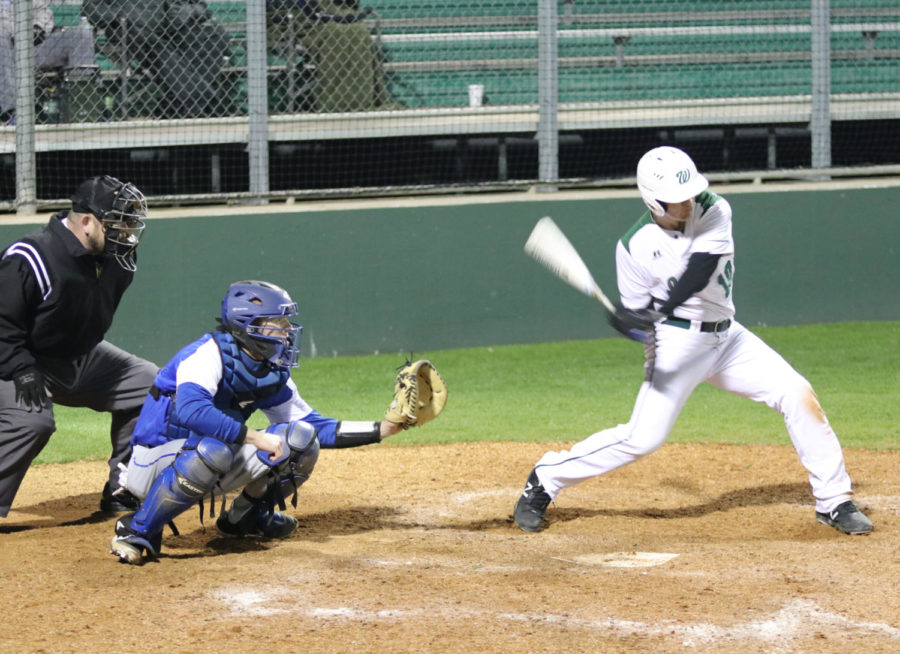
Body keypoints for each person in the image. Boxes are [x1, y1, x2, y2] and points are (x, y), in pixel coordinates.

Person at [513, 146, 873, 537]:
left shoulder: (714, 208)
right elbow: (642, 324)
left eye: (689, 193)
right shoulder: (632, 247)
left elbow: (700, 271)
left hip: (728, 337)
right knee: (642, 438)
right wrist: (628, 323)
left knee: (797, 393)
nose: (687, 201)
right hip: (676, 344)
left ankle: (834, 500)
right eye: (676, 198)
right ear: (652, 199)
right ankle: (545, 478)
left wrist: (657, 307)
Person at [109, 280, 405, 565]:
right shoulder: (206, 355)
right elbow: (191, 411)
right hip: (152, 465)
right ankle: (137, 530)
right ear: (250, 325)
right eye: (279, 323)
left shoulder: (266, 370)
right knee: (213, 450)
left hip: (211, 458)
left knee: (301, 440)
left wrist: (385, 428)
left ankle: (245, 518)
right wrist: (255, 437)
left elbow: (316, 426)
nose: (288, 331)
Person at [0, 175, 157, 518]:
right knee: (31, 423)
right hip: (17, 360)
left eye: (130, 221)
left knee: (152, 384)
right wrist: (21, 369)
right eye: (119, 221)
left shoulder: (116, 256)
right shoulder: (31, 256)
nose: (128, 230)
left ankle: (124, 488)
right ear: (87, 222)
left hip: (77, 357)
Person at [0, 0, 96, 124]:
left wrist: (38, 27)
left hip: (33, 46)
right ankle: (10, 114)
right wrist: (18, 31)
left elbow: (44, 12)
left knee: (82, 34)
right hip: (5, 49)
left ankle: (81, 108)